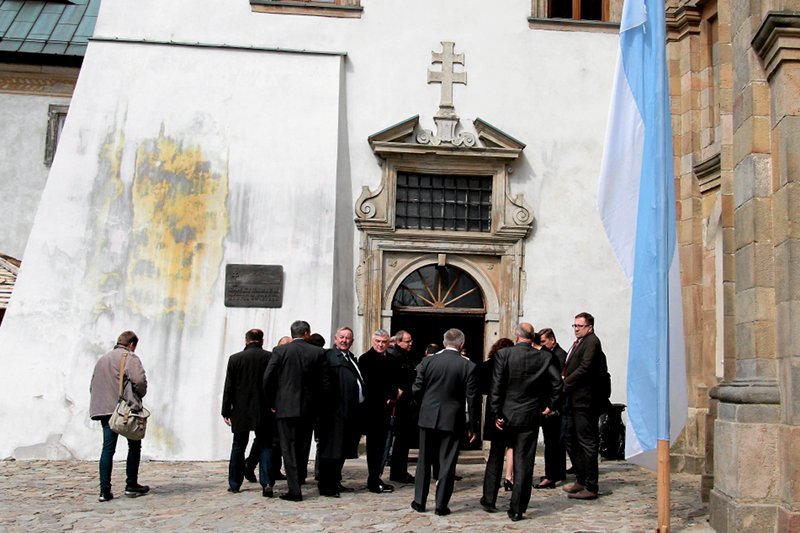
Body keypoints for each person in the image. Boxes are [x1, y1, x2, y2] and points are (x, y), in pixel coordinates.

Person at [483, 323, 561, 522]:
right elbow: (557, 383)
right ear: (532, 337)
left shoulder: (504, 355)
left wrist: (496, 414)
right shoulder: (545, 357)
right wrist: (550, 405)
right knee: (524, 462)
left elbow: (496, 387)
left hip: (506, 415)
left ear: (517, 336)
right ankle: (517, 508)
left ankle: (489, 499)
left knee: (496, 456)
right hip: (530, 415)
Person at [411, 328, 480, 516]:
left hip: (428, 416)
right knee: (447, 462)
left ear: (444, 342)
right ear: (462, 345)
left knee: (424, 461)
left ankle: (419, 501)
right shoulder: (468, 365)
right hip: (452, 418)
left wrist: (424, 406)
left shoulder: (428, 361)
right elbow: (472, 399)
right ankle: (441, 504)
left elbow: (416, 389)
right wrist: (473, 426)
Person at [263, 320, 330, 501]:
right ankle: (299, 478)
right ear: (307, 333)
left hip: (285, 406)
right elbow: (325, 383)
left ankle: (294, 489)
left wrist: (272, 401)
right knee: (303, 446)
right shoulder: (317, 352)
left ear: (292, 334)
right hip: (309, 408)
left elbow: (268, 378)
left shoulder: (280, 351)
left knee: (288, 447)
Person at [89, 331, 149, 502]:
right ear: (131, 344)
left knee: (107, 449)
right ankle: (131, 484)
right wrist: (138, 396)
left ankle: (104, 490)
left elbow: (93, 383)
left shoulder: (103, 359)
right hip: (124, 409)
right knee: (134, 444)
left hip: (103, 409)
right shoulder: (130, 357)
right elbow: (139, 381)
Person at [562, 312, 608, 501]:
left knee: (587, 442)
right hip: (575, 399)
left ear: (590, 327)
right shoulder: (580, 343)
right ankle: (581, 478)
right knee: (571, 438)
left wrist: (565, 382)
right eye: (575, 326)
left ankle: (591, 485)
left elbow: (585, 367)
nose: (576, 329)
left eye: (580, 326)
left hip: (585, 401)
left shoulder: (592, 342)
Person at [221, 329, 273, 496]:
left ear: (246, 341)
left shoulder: (235, 359)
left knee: (238, 446)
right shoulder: (269, 357)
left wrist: (225, 409)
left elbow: (229, 386)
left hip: (241, 409)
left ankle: (235, 483)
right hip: (263, 408)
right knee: (265, 445)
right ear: (262, 341)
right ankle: (266, 482)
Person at [316, 327, 364, 497]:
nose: (344, 340)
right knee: (330, 451)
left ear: (352, 341)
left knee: (341, 450)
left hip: (348, 412)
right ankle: (326, 486)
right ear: (335, 339)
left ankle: (335, 481)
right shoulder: (330, 357)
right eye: (341, 337)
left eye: (348, 338)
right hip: (334, 413)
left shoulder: (351, 358)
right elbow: (324, 384)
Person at [357, 328, 399, 493]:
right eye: (378, 342)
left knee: (383, 446)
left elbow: (395, 380)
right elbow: (368, 385)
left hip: (387, 409)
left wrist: (394, 394)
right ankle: (373, 480)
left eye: (384, 342)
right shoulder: (366, 359)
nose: (381, 345)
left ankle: (376, 477)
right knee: (374, 447)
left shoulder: (392, 359)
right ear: (372, 342)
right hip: (372, 410)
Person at [478, 337, 515, 506]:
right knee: (517, 452)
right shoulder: (514, 365)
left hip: (495, 413)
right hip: (514, 412)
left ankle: (489, 498)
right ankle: (516, 495)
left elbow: (481, 388)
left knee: (495, 456)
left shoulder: (487, 366)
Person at [535, 327, 569, 489]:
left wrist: (551, 405)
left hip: (555, 406)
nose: (541, 346)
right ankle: (557, 473)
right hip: (555, 405)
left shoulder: (557, 356)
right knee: (555, 443)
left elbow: (558, 384)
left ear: (552, 340)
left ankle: (552, 475)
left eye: (543, 342)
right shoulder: (555, 354)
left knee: (553, 442)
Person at [386, 330, 418, 484]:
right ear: (398, 342)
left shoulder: (404, 356)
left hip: (406, 404)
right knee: (400, 441)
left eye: (410, 340)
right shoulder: (395, 357)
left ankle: (400, 471)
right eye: (407, 341)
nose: (410, 343)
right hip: (399, 404)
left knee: (403, 440)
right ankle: (398, 472)